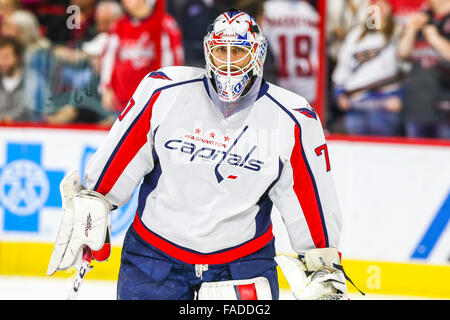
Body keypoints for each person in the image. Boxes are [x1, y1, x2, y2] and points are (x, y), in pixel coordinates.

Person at [47, 9, 349, 301]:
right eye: (221, 51)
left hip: (240, 267)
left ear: (258, 55)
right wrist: (95, 201)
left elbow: (308, 195)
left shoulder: (292, 119)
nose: (229, 63)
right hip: (154, 262)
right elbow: (121, 156)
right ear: (208, 52)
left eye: (239, 52)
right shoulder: (164, 91)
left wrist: (321, 263)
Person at [331, 0, 404, 136]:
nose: (378, 9)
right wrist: (339, 93)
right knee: (357, 153)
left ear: (390, 9)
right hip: (356, 103)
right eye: (375, 6)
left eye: (383, 5)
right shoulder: (356, 34)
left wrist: (400, 96)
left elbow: (406, 66)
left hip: (385, 104)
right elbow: (343, 65)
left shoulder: (397, 32)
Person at [100, 0, 184, 113]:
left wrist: (168, 88)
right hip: (122, 100)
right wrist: (106, 88)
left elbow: (173, 58)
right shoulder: (119, 25)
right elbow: (108, 58)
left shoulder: (164, 24)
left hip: (152, 99)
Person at [397, 0, 450, 139]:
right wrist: (412, 29)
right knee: (416, 160)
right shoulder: (424, 18)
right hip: (416, 107)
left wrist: (436, 39)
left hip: (445, 110)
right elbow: (403, 53)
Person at [0, 36, 31, 122]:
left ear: (18, 58)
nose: (1, 62)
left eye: (6, 57)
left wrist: (8, 119)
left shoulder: (32, 81)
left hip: (26, 131)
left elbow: (30, 111)